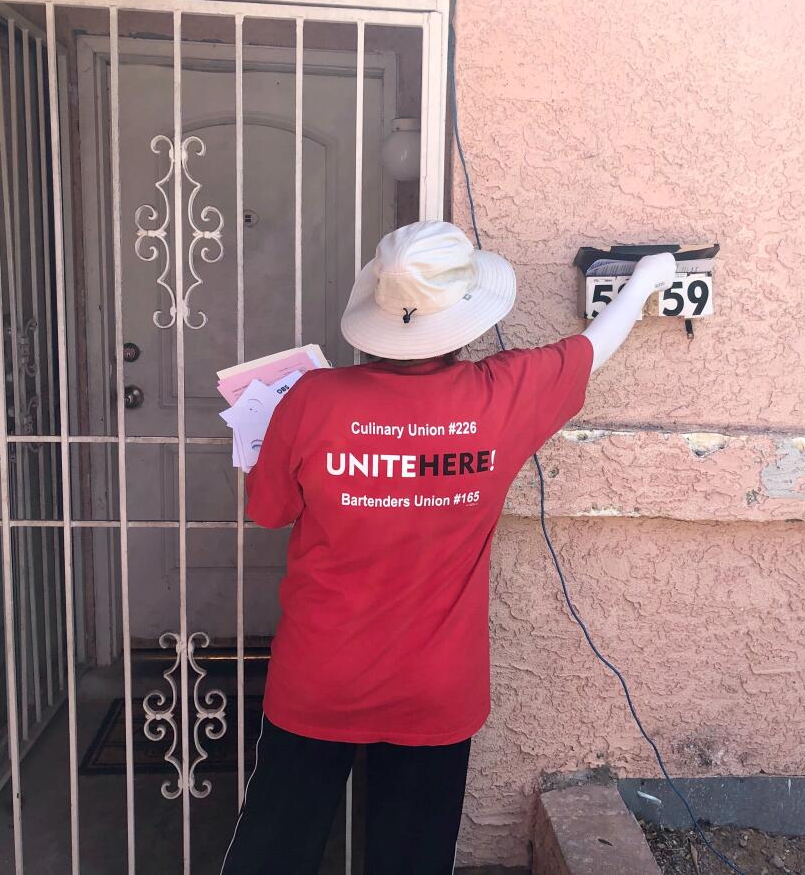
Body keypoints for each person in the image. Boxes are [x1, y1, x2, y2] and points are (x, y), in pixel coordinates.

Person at [221, 220, 676, 874]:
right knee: (410, 859)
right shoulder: (502, 395)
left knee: (273, 851)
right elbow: (590, 348)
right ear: (462, 316)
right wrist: (647, 281)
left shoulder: (311, 401)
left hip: (319, 676)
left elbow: (270, 512)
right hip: (434, 686)